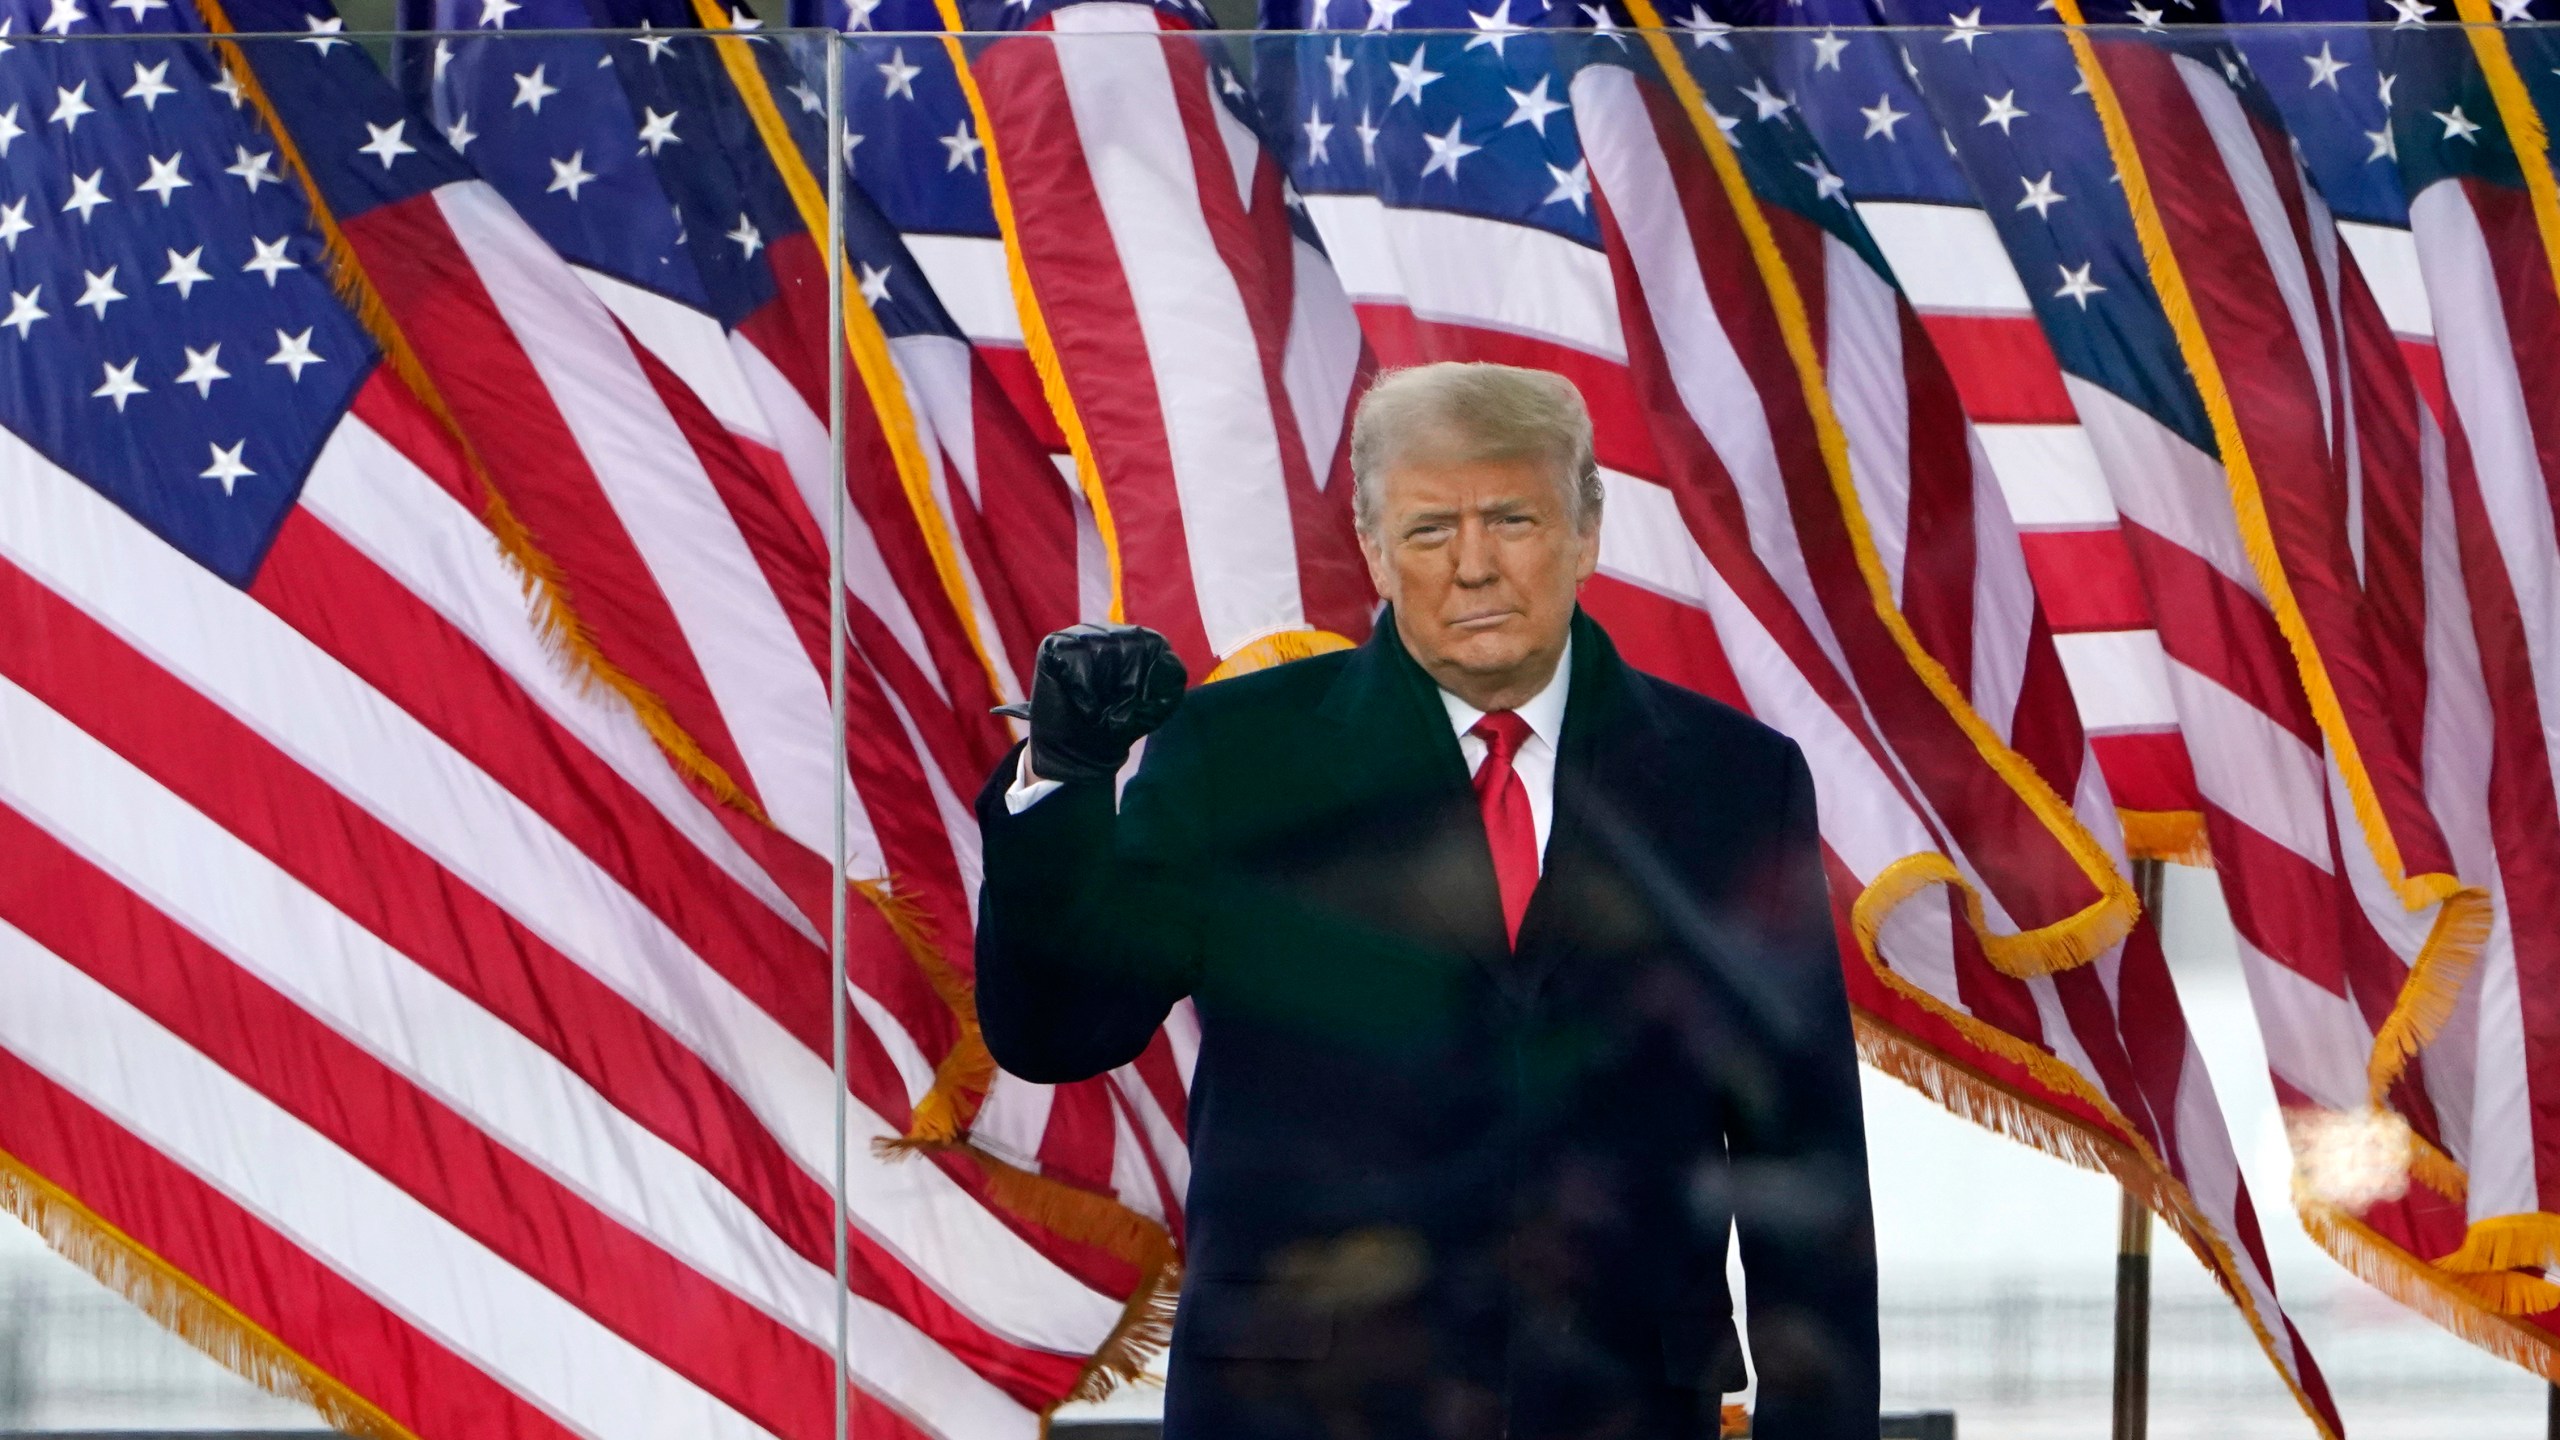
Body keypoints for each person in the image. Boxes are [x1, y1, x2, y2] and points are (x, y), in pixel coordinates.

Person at [974, 361, 1878, 1440]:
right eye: (1429, 530)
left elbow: (1795, 1146)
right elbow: (1058, 1027)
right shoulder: (1235, 754)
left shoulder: (1733, 778)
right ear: (1371, 549)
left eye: (1512, 518)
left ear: (1587, 531)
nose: (1474, 567)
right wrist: (1067, 780)